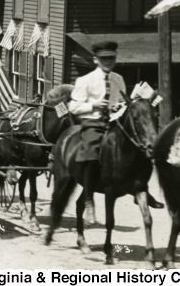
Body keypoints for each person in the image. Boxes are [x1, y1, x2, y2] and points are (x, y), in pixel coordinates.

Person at [68, 41, 127, 225]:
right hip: (93, 122)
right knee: (91, 152)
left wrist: (120, 106)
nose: (108, 62)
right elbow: (74, 107)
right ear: (96, 60)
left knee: (136, 146)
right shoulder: (85, 81)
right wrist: (93, 105)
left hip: (115, 123)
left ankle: (141, 188)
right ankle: (88, 199)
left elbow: (124, 101)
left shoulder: (118, 79)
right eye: (104, 59)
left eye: (112, 58)